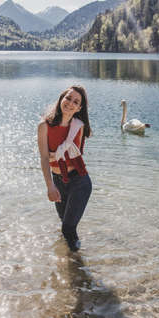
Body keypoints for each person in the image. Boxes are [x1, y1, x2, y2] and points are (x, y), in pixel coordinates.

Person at [38, 85, 92, 252]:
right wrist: (50, 186)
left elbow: (78, 153)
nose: (70, 103)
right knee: (65, 224)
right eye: (68, 98)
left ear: (79, 108)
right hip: (58, 182)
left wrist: (57, 154)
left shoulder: (79, 126)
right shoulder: (44, 126)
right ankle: (71, 260)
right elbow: (44, 158)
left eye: (76, 102)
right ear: (61, 98)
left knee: (67, 228)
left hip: (79, 182)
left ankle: (76, 267)